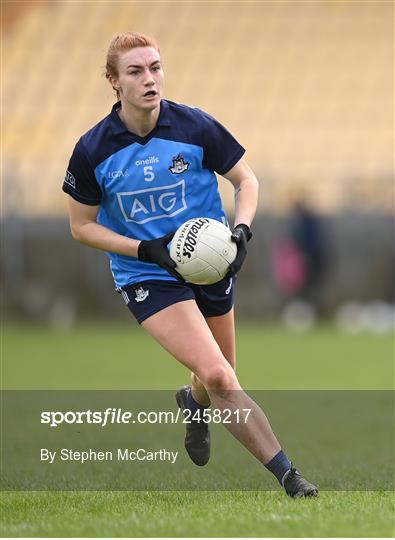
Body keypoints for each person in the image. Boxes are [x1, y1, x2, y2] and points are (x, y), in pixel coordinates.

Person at [62, 31, 318, 498]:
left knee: (216, 374)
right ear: (113, 82)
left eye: (156, 67)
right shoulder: (93, 149)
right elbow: (81, 226)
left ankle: (192, 403)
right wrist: (146, 250)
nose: (150, 79)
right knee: (221, 375)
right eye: (136, 71)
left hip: (210, 266)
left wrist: (241, 232)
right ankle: (290, 478)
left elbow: (246, 180)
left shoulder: (194, 126)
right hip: (148, 274)